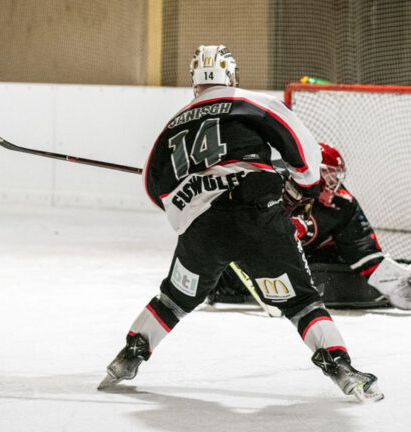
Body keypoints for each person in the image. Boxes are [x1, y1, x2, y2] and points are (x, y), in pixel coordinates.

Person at [97, 45, 383, 402]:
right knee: (302, 304)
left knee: (173, 299)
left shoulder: (173, 123)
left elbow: (154, 187)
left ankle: (130, 355)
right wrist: (305, 184)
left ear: (195, 82)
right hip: (258, 218)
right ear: (231, 76)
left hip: (201, 228)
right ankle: (340, 366)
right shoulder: (251, 102)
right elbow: (302, 148)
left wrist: (191, 203)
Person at [209, 142, 411, 311]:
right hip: (270, 258)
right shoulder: (273, 188)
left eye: (336, 176)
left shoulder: (341, 204)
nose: (334, 183)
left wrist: (394, 279)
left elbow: (362, 250)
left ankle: (405, 275)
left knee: (332, 274)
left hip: (309, 260)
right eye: (328, 175)